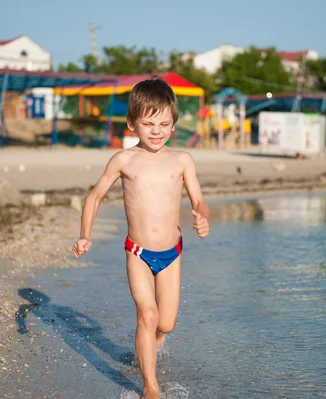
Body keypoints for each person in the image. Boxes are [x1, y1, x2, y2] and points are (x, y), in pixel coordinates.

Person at [72, 76, 210, 399]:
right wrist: (84, 235)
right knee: (147, 314)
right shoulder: (124, 160)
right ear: (132, 123)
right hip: (137, 252)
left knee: (167, 323)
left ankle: (149, 343)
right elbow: (93, 197)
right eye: (148, 123)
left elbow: (199, 200)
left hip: (172, 253)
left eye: (164, 123)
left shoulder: (182, 161)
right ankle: (151, 385)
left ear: (174, 124)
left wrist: (203, 217)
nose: (157, 131)